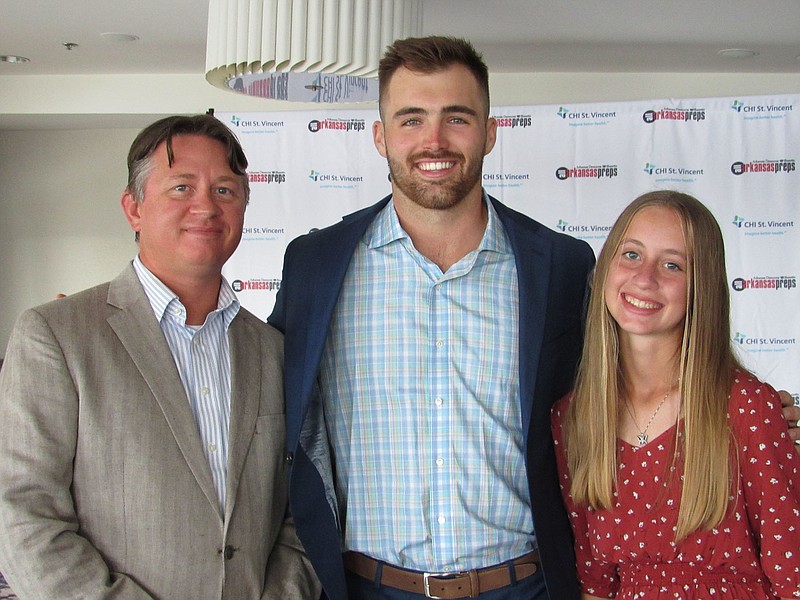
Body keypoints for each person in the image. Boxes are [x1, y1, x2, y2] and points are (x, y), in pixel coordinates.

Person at [268, 36, 596, 599]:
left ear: (490, 133)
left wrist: (739, 411)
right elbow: (270, 407)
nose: (434, 140)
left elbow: (621, 390)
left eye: (458, 118)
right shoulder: (315, 264)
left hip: (526, 586)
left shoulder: (561, 265)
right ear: (381, 137)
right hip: (367, 586)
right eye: (411, 119)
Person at [0, 115, 320, 599]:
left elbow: (301, 510)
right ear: (134, 208)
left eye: (225, 191)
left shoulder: (273, 349)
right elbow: (24, 517)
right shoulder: (57, 336)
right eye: (181, 188)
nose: (206, 207)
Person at [552, 191, 800, 599]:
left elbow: (793, 572)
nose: (645, 278)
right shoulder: (576, 416)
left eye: (672, 265)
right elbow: (594, 582)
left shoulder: (745, 407)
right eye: (631, 254)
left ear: (701, 286)